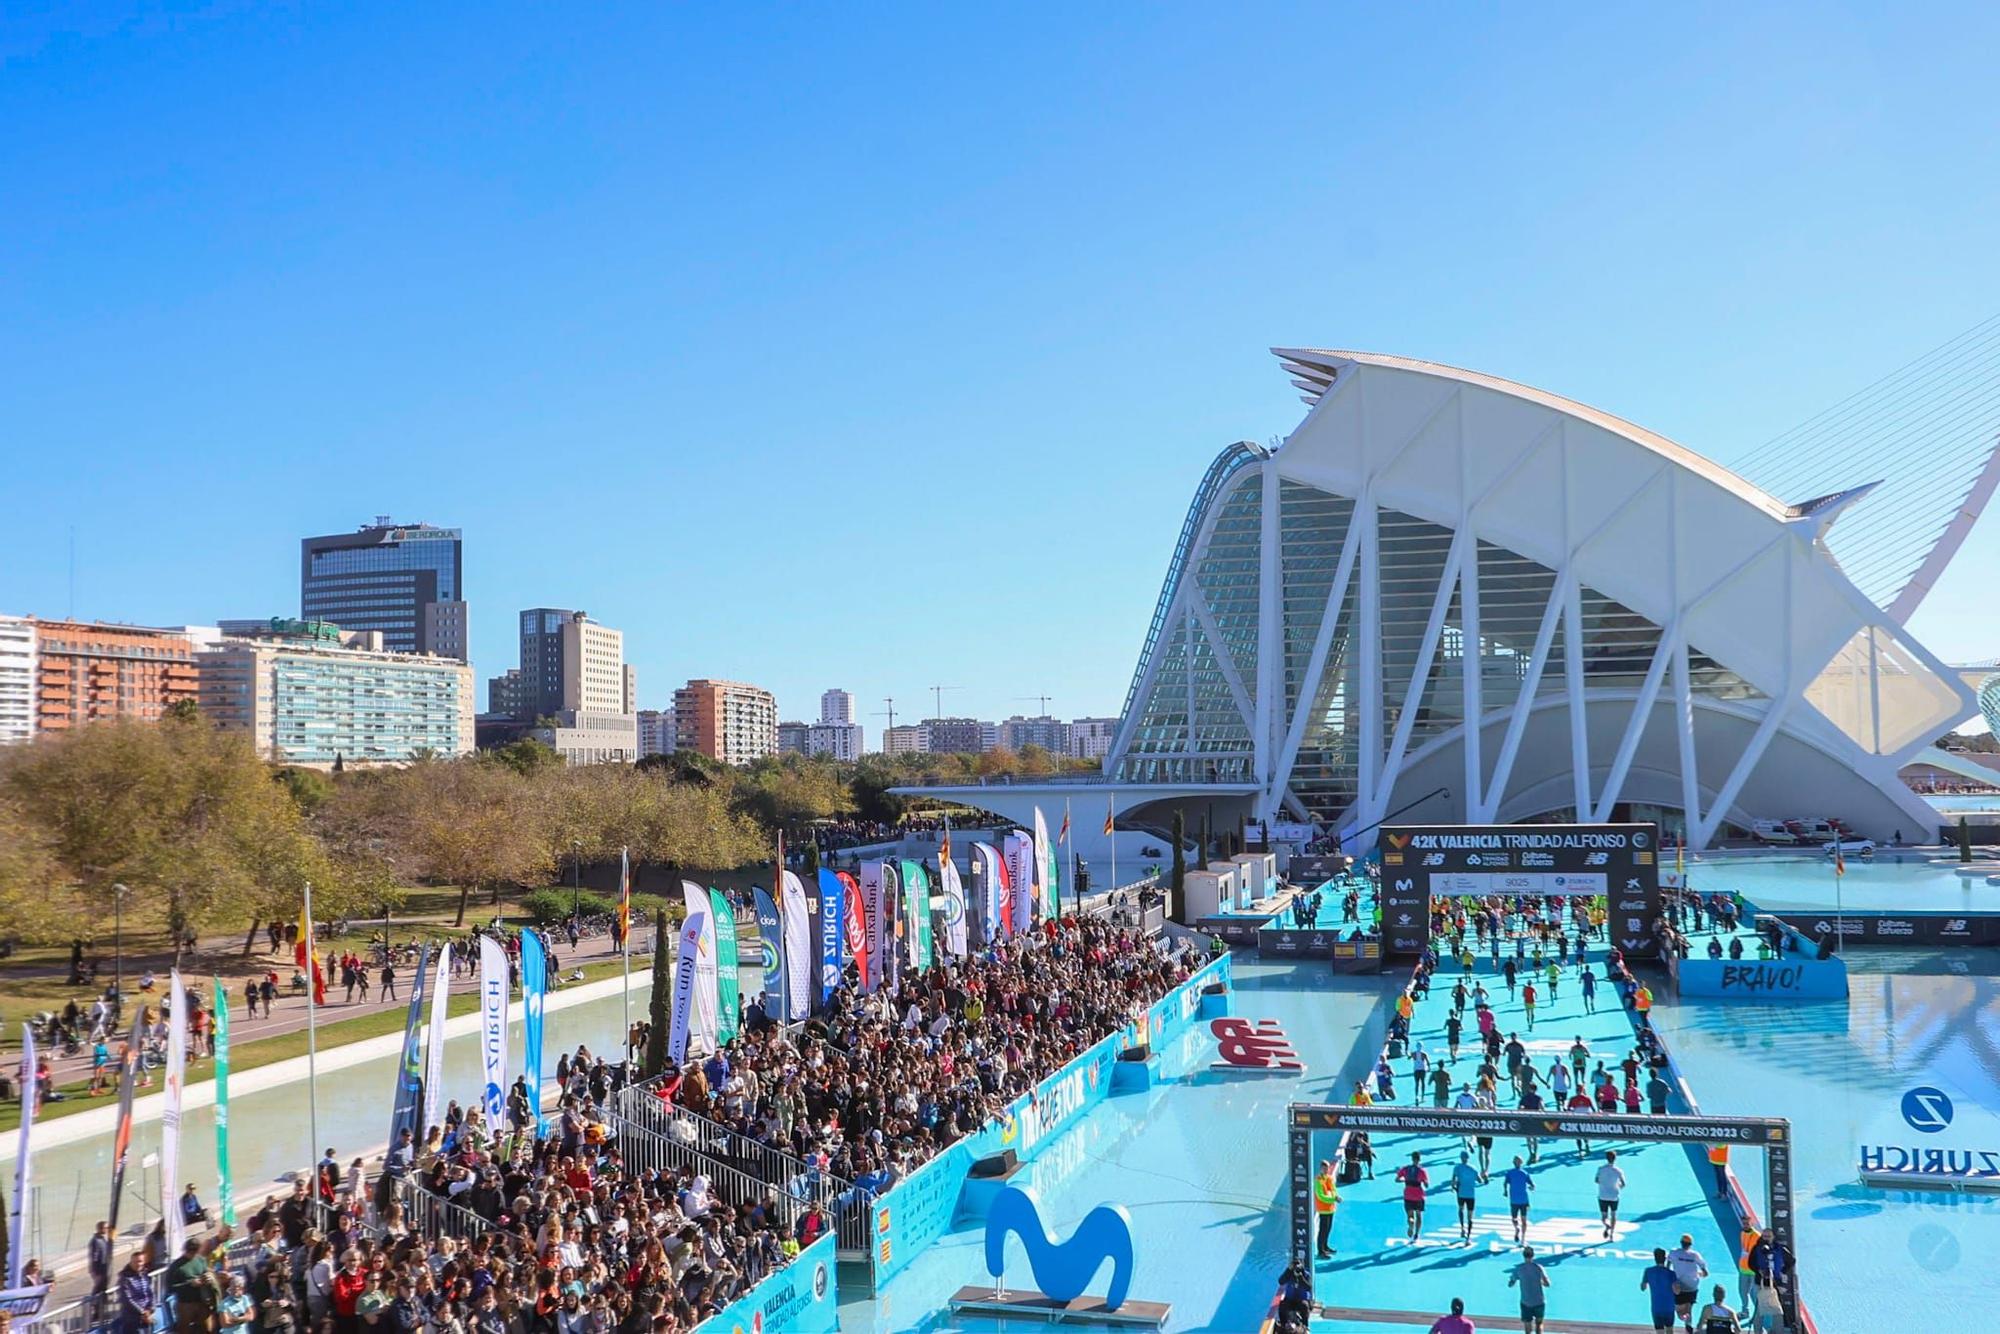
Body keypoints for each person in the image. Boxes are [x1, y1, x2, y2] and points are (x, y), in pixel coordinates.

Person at [1667, 1234, 1710, 1333]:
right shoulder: (1695, 1255)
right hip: (1692, 1287)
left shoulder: (1674, 1253)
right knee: (1689, 1308)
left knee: (1679, 1312)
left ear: (1681, 1243)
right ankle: (1688, 1324)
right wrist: (1699, 1274)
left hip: (1679, 1288)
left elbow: (1668, 1266)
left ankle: (1684, 1319)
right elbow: (1705, 1272)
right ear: (1690, 1244)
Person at [1507, 1246, 1551, 1334]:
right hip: (1539, 1301)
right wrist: (1540, 1282)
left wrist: (1513, 1280)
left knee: (1527, 1327)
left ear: (1523, 1256)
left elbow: (1511, 1284)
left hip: (1526, 1302)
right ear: (1533, 1256)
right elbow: (1547, 1284)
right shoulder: (1539, 1268)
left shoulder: (1519, 1269)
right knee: (1539, 1324)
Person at [1640, 1248, 1680, 1332]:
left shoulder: (1648, 1271)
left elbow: (1643, 1288)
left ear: (1655, 1258)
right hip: (1669, 1307)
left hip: (1656, 1308)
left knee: (1659, 1331)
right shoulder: (1671, 1273)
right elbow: (1677, 1291)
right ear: (1665, 1259)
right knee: (1669, 1330)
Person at [1395, 1151, 1430, 1242]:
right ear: (1419, 1159)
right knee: (1419, 1215)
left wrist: (1405, 1180)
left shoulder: (1405, 1169)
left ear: (1412, 1159)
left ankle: (1411, 1223)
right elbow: (1426, 1185)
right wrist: (1424, 1182)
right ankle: (1417, 1234)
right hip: (1418, 1195)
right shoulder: (1422, 1171)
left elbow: (1397, 1179)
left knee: (1410, 1215)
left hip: (1408, 1194)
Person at [1500, 1155, 1534, 1245]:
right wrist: (1531, 1187)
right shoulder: (1525, 1173)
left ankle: (1517, 1229)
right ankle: (1523, 1238)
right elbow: (1532, 1185)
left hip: (1514, 1200)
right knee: (1523, 1220)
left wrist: (1505, 1191)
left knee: (1514, 1218)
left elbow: (1505, 1183)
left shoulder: (1510, 1173)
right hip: (1523, 1200)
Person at [1594, 1150, 1627, 1239]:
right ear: (1615, 1159)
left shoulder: (1600, 1169)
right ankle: (1612, 1234)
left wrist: (1604, 1183)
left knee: (1604, 1216)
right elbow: (1623, 1184)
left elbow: (1596, 1180)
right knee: (1613, 1214)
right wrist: (1617, 1187)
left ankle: (1607, 1225)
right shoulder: (1618, 1171)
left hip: (1603, 1195)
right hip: (1614, 1195)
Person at [1450, 1151, 1480, 1242]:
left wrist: (1454, 1187)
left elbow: (1453, 1180)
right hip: (1471, 1194)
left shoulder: (1457, 1168)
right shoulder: (1473, 1169)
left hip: (1461, 1193)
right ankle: (1469, 1236)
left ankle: (1462, 1228)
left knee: (1461, 1209)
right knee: (1470, 1216)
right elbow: (1480, 1180)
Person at [1314, 1159, 1340, 1259]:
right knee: (1323, 1230)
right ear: (1321, 1168)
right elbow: (1321, 1196)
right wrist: (1334, 1198)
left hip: (1330, 1208)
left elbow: (1333, 1190)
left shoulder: (1329, 1178)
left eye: (1327, 1168)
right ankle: (1321, 1251)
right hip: (1323, 1209)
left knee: (1328, 1229)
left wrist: (1335, 1196)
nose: (1326, 1170)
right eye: (1324, 1168)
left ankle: (1325, 1246)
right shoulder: (1318, 1180)